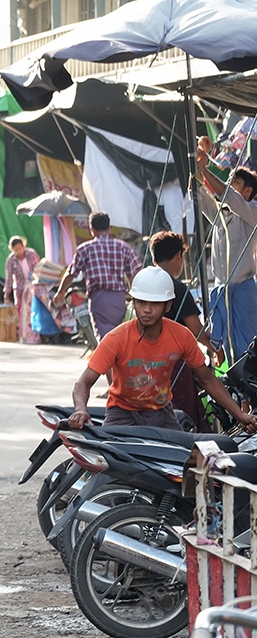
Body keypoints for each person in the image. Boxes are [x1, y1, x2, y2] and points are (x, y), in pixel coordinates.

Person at [66, 267, 257, 432]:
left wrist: (239, 414)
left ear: (168, 306)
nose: (147, 310)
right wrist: (81, 409)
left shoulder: (181, 336)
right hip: (122, 413)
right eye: (141, 302)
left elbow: (207, 379)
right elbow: (83, 382)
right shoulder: (116, 339)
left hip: (163, 412)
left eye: (155, 304)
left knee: (181, 465)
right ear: (134, 302)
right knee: (110, 464)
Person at [196, 136, 257, 364]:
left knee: (247, 350)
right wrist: (197, 164)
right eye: (229, 182)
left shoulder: (252, 211)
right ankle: (233, 398)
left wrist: (205, 167)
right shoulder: (222, 215)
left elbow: (228, 196)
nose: (230, 186)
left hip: (243, 291)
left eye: (236, 183)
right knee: (225, 351)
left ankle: (248, 398)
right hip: (222, 290)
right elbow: (201, 196)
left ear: (249, 191)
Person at [149, 231, 214, 431]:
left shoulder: (146, 282)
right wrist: (216, 348)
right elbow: (197, 331)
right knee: (185, 419)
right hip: (174, 365)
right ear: (178, 256)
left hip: (145, 362)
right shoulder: (176, 288)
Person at [52, 212, 140, 340]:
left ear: (91, 229)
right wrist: (135, 296)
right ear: (109, 228)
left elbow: (71, 274)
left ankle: (108, 359)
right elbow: (134, 274)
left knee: (104, 339)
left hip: (98, 299)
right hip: (119, 299)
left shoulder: (85, 249)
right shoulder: (123, 247)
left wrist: (60, 292)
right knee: (119, 335)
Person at [3, 236, 40, 344]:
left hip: (33, 287)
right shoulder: (11, 260)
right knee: (21, 313)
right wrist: (6, 293)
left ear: (23, 246)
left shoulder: (31, 254)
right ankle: (23, 336)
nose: (19, 251)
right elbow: (9, 277)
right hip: (20, 288)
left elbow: (38, 269)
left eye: (20, 248)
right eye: (16, 250)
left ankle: (35, 336)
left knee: (32, 311)